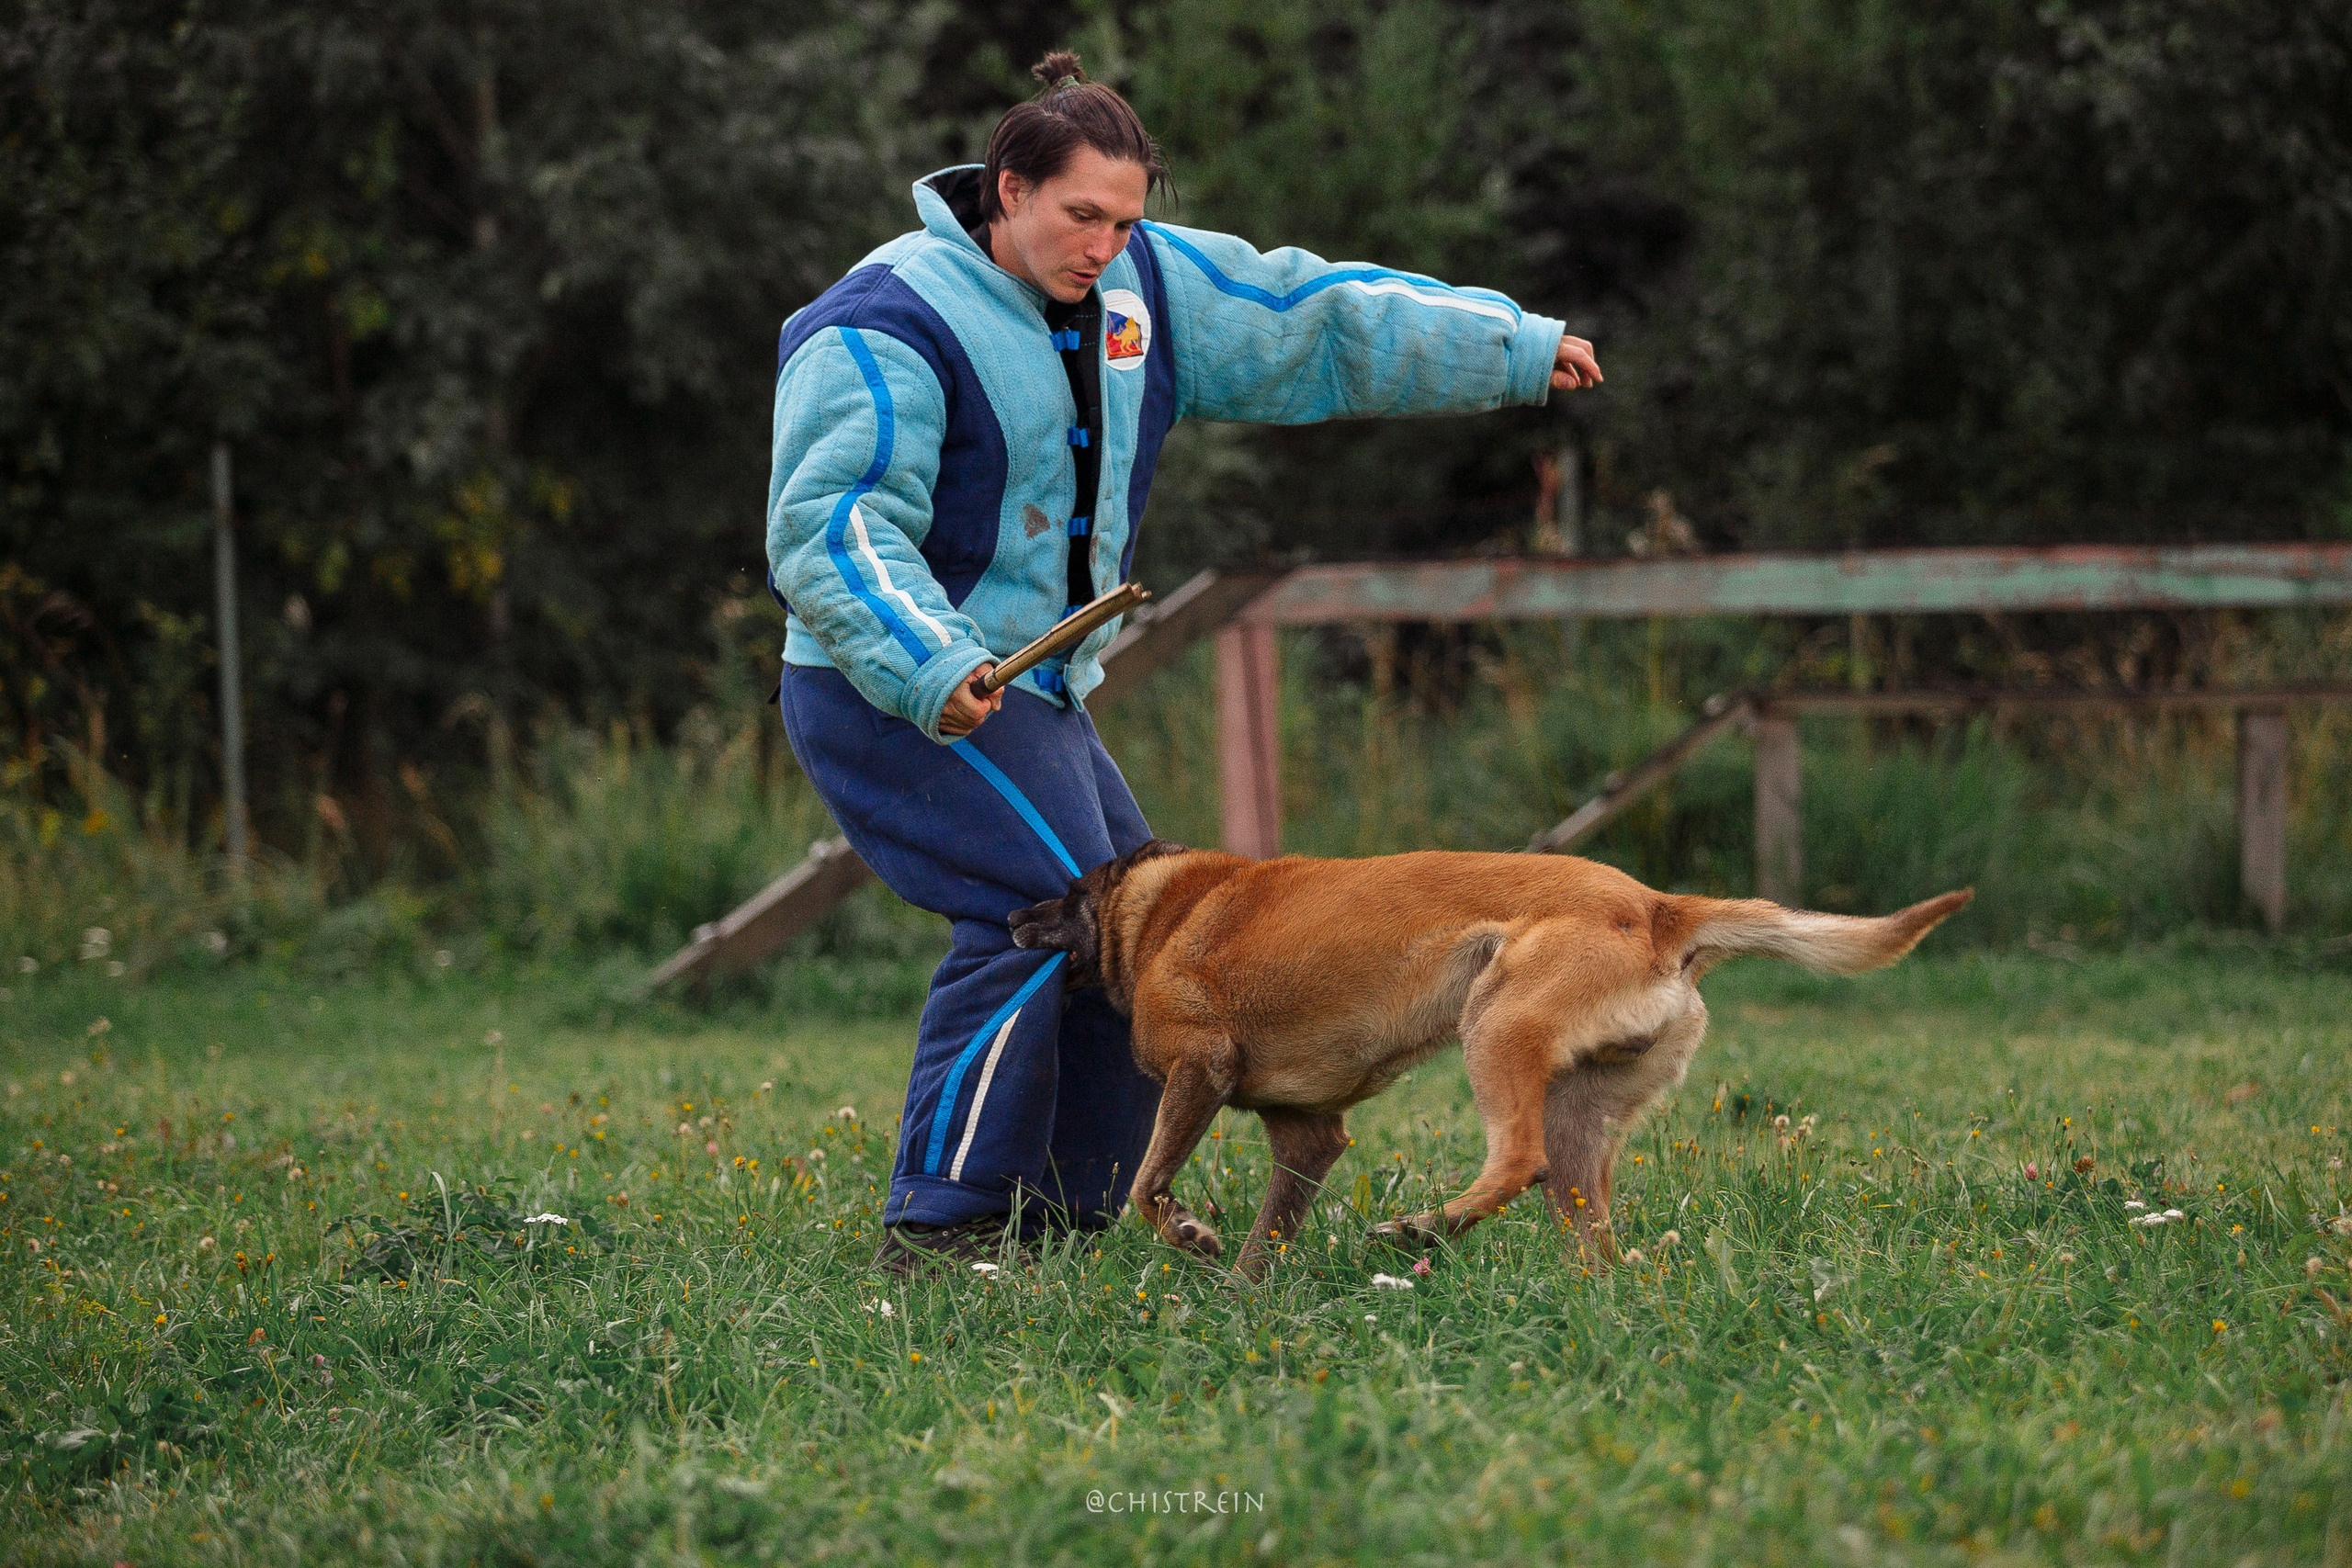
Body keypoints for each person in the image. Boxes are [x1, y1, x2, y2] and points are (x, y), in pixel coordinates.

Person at [767, 50, 1602, 1274]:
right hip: (887, 689)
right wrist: (930, 662)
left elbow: (1312, 320)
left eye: (1126, 219)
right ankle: (941, 1227)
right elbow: (828, 525)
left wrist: (1514, 347)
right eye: (1079, 217)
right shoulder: (883, 323)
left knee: (1135, 949)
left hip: (1037, 692)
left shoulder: (1139, 284)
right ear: (1008, 190)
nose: (1105, 246)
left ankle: (1061, 1223)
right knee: (1040, 919)